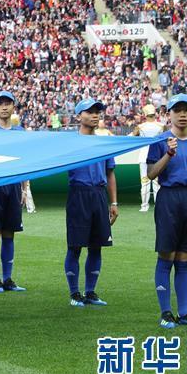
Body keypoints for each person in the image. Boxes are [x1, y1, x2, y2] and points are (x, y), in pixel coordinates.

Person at [146, 94, 187, 329]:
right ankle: (166, 312)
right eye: (177, 110)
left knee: (185, 257)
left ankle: (183, 312)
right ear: (169, 114)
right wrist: (169, 154)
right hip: (168, 199)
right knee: (167, 255)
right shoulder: (160, 141)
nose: (182, 114)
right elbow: (152, 174)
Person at [64, 98, 119, 308]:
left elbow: (110, 173)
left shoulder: (104, 142)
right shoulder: (71, 142)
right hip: (79, 194)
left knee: (97, 246)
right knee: (75, 246)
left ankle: (90, 292)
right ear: (79, 116)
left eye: (97, 111)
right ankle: (74, 293)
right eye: (90, 111)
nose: (95, 115)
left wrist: (113, 203)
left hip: (99, 196)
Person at [0, 91, 27, 293]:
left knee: (10, 232)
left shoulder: (20, 133)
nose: (4, 107)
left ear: (13, 107)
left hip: (14, 186)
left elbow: (26, 162)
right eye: (0, 103)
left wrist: (25, 189)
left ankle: (8, 278)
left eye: (7, 103)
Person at [132, 105, 166, 212]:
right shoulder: (161, 126)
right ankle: (158, 205)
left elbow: (133, 136)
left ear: (145, 115)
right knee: (157, 182)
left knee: (145, 182)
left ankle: (144, 206)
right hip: (157, 156)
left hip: (143, 155)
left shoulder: (140, 127)